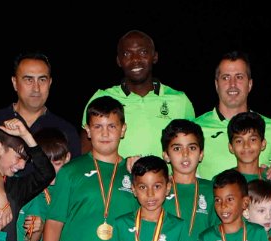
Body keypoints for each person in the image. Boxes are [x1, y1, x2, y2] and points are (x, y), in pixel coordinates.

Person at [41, 96, 137, 241]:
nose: (105, 133)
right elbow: (54, 224)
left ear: (123, 129)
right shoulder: (71, 172)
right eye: (98, 126)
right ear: (88, 130)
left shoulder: (133, 175)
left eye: (112, 126)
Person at [81, 30, 194, 160]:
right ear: (119, 61)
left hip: (166, 180)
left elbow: (193, 146)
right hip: (115, 180)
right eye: (127, 54)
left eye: (143, 52)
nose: (135, 59)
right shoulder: (101, 98)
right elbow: (86, 151)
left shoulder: (180, 100)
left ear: (155, 56)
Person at [196, 52, 271, 179]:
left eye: (239, 77)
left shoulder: (270, 127)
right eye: (226, 77)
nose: (232, 84)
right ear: (217, 85)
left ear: (250, 84)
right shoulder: (196, 129)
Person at [0, 53, 81, 159]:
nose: (36, 88)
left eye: (42, 80)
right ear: (15, 83)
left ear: (50, 83)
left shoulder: (66, 131)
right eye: (28, 80)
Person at [159, 118, 210, 241]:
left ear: (201, 154)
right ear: (166, 155)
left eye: (192, 147)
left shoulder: (212, 190)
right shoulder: (156, 189)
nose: (185, 154)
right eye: (177, 148)